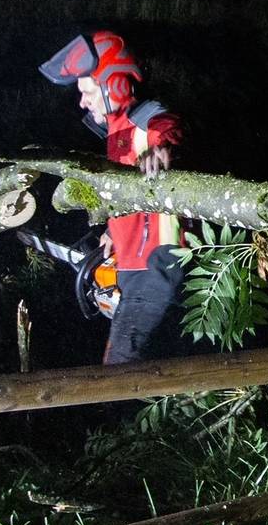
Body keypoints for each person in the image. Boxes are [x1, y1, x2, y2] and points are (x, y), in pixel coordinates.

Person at [38, 30, 185, 364]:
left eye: (88, 91)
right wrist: (114, 232)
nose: (82, 101)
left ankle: (116, 414)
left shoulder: (147, 119)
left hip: (157, 264)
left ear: (113, 83)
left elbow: (170, 129)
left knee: (119, 366)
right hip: (132, 265)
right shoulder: (115, 134)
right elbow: (127, 200)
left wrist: (164, 150)